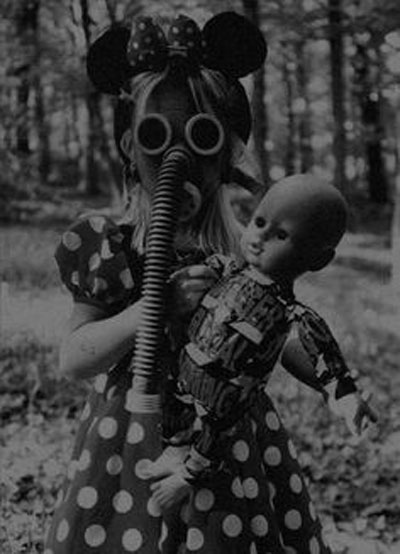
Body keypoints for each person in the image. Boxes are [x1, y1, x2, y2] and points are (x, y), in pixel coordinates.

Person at [44, 11, 271, 554]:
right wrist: (153, 306)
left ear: (227, 151)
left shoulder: (245, 251)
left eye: (200, 135)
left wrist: (337, 382)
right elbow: (74, 359)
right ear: (130, 145)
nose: (178, 156)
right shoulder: (110, 246)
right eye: (155, 135)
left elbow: (279, 336)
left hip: (221, 443)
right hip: (128, 438)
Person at [148, 174, 377, 553]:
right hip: (187, 368)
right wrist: (180, 281)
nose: (258, 238)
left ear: (317, 259)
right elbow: (188, 275)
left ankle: (185, 479)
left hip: (229, 392)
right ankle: (174, 448)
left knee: (215, 434)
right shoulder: (227, 269)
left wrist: (343, 393)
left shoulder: (291, 311)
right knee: (172, 398)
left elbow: (322, 350)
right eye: (258, 222)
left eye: (280, 235)